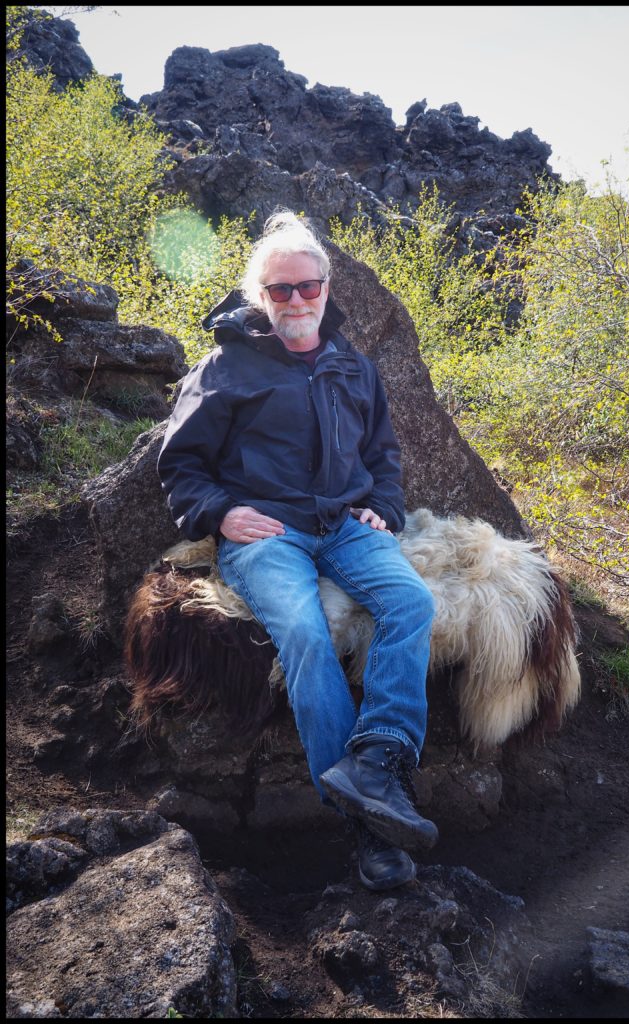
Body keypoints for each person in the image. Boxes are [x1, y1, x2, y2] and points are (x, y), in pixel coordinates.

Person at [157, 209, 438, 891]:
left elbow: (383, 453)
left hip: (345, 525)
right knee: (308, 637)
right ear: (260, 293)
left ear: (327, 286)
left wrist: (386, 506)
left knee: (412, 601)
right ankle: (368, 830)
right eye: (279, 290)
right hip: (268, 535)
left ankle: (377, 760)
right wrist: (222, 514)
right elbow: (180, 463)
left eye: (307, 287)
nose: (296, 301)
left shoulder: (353, 365)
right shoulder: (226, 366)